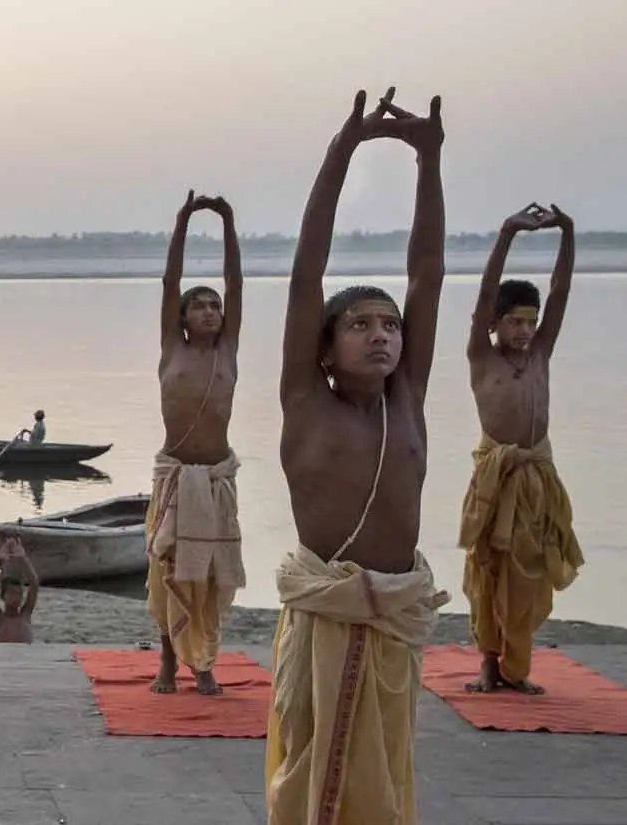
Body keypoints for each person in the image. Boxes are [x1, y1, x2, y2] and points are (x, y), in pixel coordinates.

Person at [266, 89, 452, 825]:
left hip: (394, 616)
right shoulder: (306, 405)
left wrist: (428, 160)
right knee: (314, 774)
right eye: (359, 325)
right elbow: (306, 272)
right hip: (325, 619)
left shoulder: (406, 402)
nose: (381, 335)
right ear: (326, 345)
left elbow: (428, 272)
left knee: (383, 775)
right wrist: (342, 152)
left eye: (389, 325)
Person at [459, 203, 584, 695]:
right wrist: (508, 234)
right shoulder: (481, 355)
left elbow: (561, 293)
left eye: (530, 323)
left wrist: (568, 233)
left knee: (530, 573)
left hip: (536, 476)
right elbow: (486, 292)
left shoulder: (540, 355)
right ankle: (489, 664)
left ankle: (517, 667)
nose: (525, 331)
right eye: (514, 322)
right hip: (497, 476)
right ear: (495, 322)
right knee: (491, 569)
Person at [144, 192, 246, 697]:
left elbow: (237, 281)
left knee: (208, 576)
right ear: (183, 318)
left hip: (216, 479)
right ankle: (167, 662)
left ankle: (203, 663)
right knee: (168, 573)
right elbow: (170, 283)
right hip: (176, 478)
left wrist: (228, 223)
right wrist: (183, 220)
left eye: (215, 306)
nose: (210, 311)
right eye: (199, 306)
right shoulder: (173, 350)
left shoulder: (227, 350)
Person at [0, 538, 38, 643]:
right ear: (3, 596)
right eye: (12, 593)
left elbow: (34, 585)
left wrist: (23, 559)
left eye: (19, 594)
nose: (16, 597)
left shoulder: (25, 615)